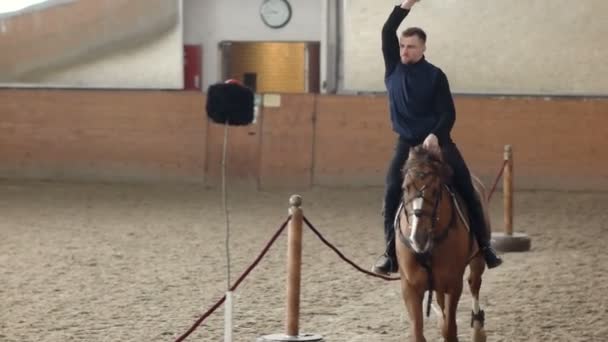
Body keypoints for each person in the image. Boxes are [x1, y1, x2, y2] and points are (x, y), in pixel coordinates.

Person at [371, 0, 502, 275]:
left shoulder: (435, 76)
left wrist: (435, 135)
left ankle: (484, 247)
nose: (405, 50)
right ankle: (389, 255)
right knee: (392, 190)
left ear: (423, 48)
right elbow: (387, 30)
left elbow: (448, 114)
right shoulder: (393, 67)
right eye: (403, 46)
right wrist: (406, 4)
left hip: (436, 141)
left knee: (467, 187)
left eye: (411, 46)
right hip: (406, 143)